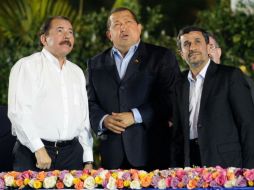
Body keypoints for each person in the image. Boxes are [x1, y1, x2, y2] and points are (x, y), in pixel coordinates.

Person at [87, 7, 180, 170]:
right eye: (117, 24)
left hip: (153, 151)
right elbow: (89, 102)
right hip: (112, 156)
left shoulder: (161, 57)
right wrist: (103, 120)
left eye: (128, 22)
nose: (123, 27)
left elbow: (171, 97)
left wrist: (135, 115)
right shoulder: (95, 64)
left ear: (139, 28)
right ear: (109, 34)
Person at [8, 16, 93, 171]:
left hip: (72, 155)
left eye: (70, 32)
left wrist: (88, 157)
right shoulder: (27, 66)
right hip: (34, 153)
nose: (67, 36)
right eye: (60, 30)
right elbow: (18, 113)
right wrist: (38, 148)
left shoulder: (77, 72)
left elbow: (83, 118)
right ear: (44, 39)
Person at [171, 26, 254, 168]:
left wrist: (250, 169)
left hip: (225, 162)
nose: (192, 48)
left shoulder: (230, 76)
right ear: (181, 54)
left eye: (197, 41)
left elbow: (248, 125)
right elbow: (178, 131)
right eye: (186, 44)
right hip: (189, 163)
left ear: (209, 48)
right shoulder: (179, 82)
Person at [208, 32, 254, 104]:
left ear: (218, 52)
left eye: (210, 47)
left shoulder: (242, 81)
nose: (207, 53)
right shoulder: (186, 87)